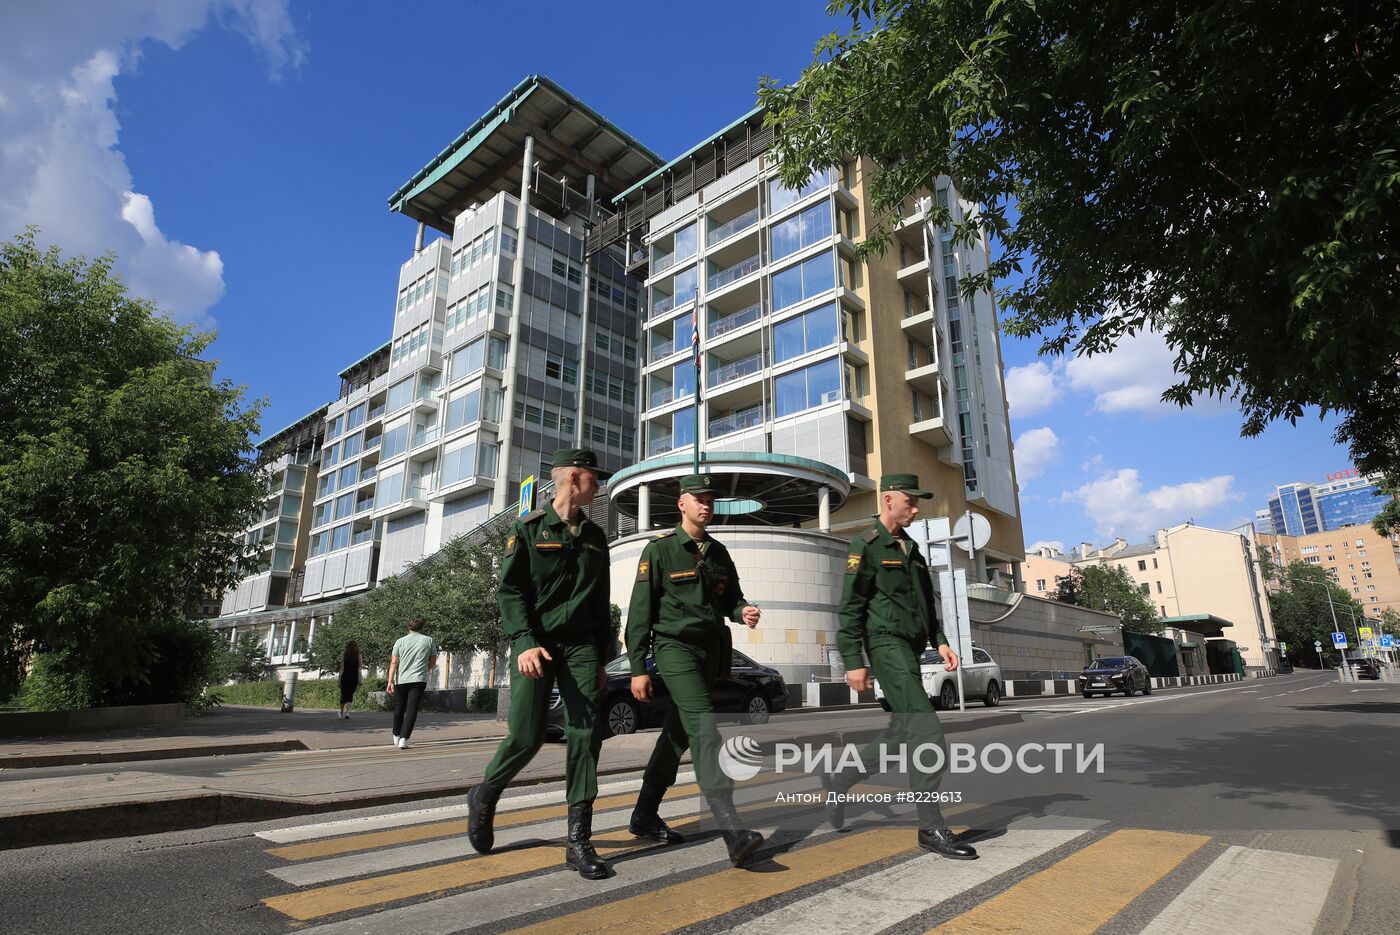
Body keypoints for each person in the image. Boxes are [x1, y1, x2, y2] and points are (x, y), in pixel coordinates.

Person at [467, 449, 615, 880]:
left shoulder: (595, 536)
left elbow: (601, 602)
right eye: (594, 477)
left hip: (581, 648)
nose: (599, 484)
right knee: (527, 736)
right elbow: (511, 592)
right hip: (535, 645)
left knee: (585, 734)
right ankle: (486, 792)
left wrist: (603, 657)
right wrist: (525, 642)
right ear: (574, 476)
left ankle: (578, 840)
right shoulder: (528, 528)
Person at [832, 474, 977, 859]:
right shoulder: (865, 546)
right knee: (927, 731)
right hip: (884, 645)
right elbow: (850, 608)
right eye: (910, 502)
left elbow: (925, 604)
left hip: (911, 649)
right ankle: (930, 827)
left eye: (918, 503)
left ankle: (843, 776)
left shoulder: (911, 548)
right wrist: (853, 660)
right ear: (888, 499)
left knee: (902, 731)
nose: (915, 509)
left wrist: (941, 640)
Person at [626, 473, 765, 867]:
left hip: (710, 654)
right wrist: (638, 667)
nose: (706, 505)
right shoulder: (660, 551)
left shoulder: (718, 552)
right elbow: (639, 616)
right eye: (698, 499)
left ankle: (643, 813)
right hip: (674, 649)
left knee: (678, 733)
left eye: (710, 499)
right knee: (704, 726)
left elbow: (731, 600)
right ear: (681, 505)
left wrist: (744, 611)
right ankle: (731, 828)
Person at [387, 619, 438, 750]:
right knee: (411, 709)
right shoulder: (429, 640)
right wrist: (425, 671)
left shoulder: (400, 641)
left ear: (408, 627)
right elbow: (433, 661)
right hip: (419, 679)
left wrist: (390, 681)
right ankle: (404, 739)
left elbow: (393, 663)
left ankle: (396, 736)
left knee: (399, 707)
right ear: (421, 627)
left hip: (401, 680)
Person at [337, 640, 362, 719]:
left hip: (345, 677)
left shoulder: (344, 655)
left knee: (343, 694)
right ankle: (347, 713)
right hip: (353, 677)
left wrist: (339, 679)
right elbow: (360, 668)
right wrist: (359, 678)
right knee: (350, 695)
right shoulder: (359, 656)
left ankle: (341, 712)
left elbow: (342, 668)